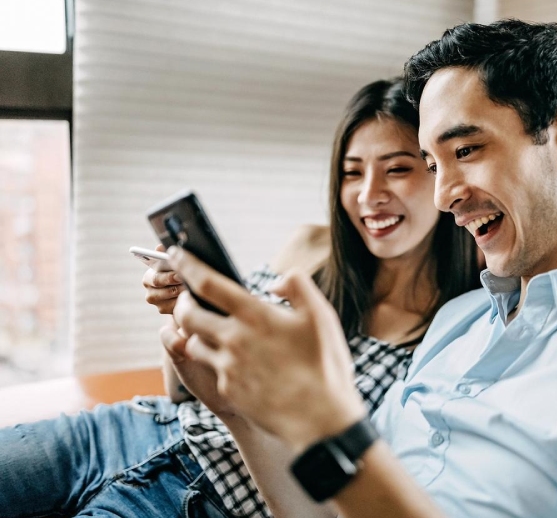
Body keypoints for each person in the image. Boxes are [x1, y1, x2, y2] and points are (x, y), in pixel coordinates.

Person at [163, 20, 557, 518]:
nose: (441, 197)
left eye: (466, 150)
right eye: (434, 165)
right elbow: (328, 511)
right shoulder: (458, 320)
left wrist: (331, 423)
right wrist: (237, 409)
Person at [0, 78, 481, 517]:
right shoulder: (308, 249)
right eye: (352, 173)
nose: (369, 195)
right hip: (131, 429)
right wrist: (185, 313)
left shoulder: (456, 325)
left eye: (397, 169)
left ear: (438, 173)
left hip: (205, 501)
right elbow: (183, 391)